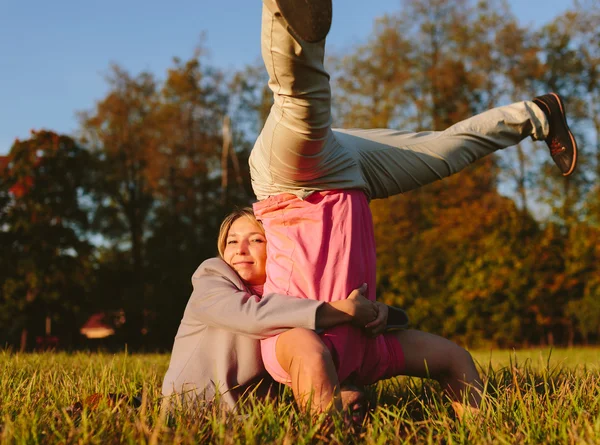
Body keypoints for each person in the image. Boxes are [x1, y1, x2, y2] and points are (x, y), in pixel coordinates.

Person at [250, 0, 579, 414]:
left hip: (289, 180)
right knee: (444, 153)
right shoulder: (366, 360)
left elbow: (298, 351)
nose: (352, 410)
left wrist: (326, 418)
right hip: (352, 177)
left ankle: (284, 14)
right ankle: (537, 114)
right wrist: (388, 316)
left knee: (300, 100)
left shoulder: (286, 350)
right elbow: (434, 348)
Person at [161, 208, 396, 411]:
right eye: (232, 241)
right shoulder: (212, 275)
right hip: (194, 410)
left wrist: (377, 312)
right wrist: (342, 310)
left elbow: (343, 314)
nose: (241, 249)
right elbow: (251, 315)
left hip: (256, 418)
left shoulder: (287, 291)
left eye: (256, 240)